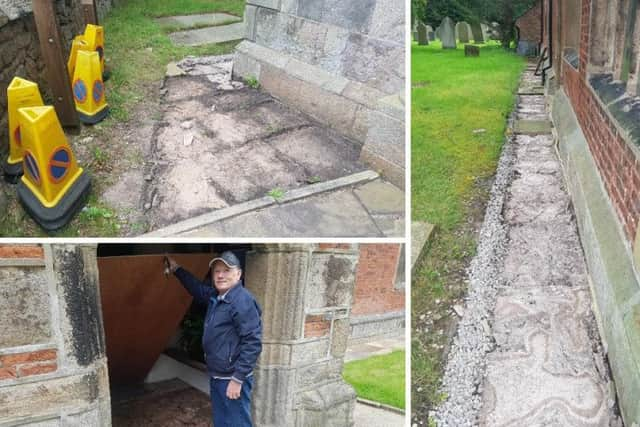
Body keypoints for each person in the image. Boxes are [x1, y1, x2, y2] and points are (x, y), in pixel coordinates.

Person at [165, 251, 262, 427]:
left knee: (237, 422)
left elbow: (253, 343)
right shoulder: (216, 296)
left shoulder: (242, 301)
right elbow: (197, 288)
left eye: (226, 270)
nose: (220, 275)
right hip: (217, 376)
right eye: (216, 271)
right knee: (222, 421)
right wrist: (177, 269)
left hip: (231, 378)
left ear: (238, 274)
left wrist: (237, 379)